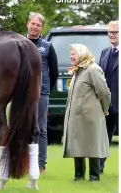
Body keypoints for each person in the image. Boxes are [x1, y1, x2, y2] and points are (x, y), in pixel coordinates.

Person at [63, 43, 111, 182]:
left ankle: (94, 176)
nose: (71, 56)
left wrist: (105, 108)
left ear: (82, 53)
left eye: (74, 54)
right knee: (78, 144)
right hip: (77, 115)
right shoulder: (77, 70)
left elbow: (104, 92)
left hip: (90, 115)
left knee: (92, 144)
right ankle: (79, 176)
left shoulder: (93, 69)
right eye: (71, 54)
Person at [25, 12, 58, 175]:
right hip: (21, 94)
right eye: (33, 24)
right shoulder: (19, 43)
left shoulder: (47, 46)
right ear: (27, 24)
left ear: (42, 28)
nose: (35, 27)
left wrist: (45, 89)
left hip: (41, 93)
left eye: (38, 25)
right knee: (23, 127)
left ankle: (40, 165)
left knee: (41, 129)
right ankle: (23, 163)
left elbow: (55, 72)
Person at [98, 20, 119, 173]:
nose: (111, 35)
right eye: (110, 32)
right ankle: (99, 167)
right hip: (107, 104)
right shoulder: (105, 52)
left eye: (115, 32)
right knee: (104, 137)